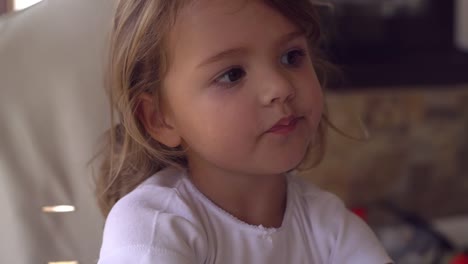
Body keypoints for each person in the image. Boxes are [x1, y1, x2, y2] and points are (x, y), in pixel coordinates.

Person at [96, 0, 393, 263]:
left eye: (291, 56)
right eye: (232, 75)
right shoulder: (150, 229)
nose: (281, 87)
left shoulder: (328, 224)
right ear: (160, 118)